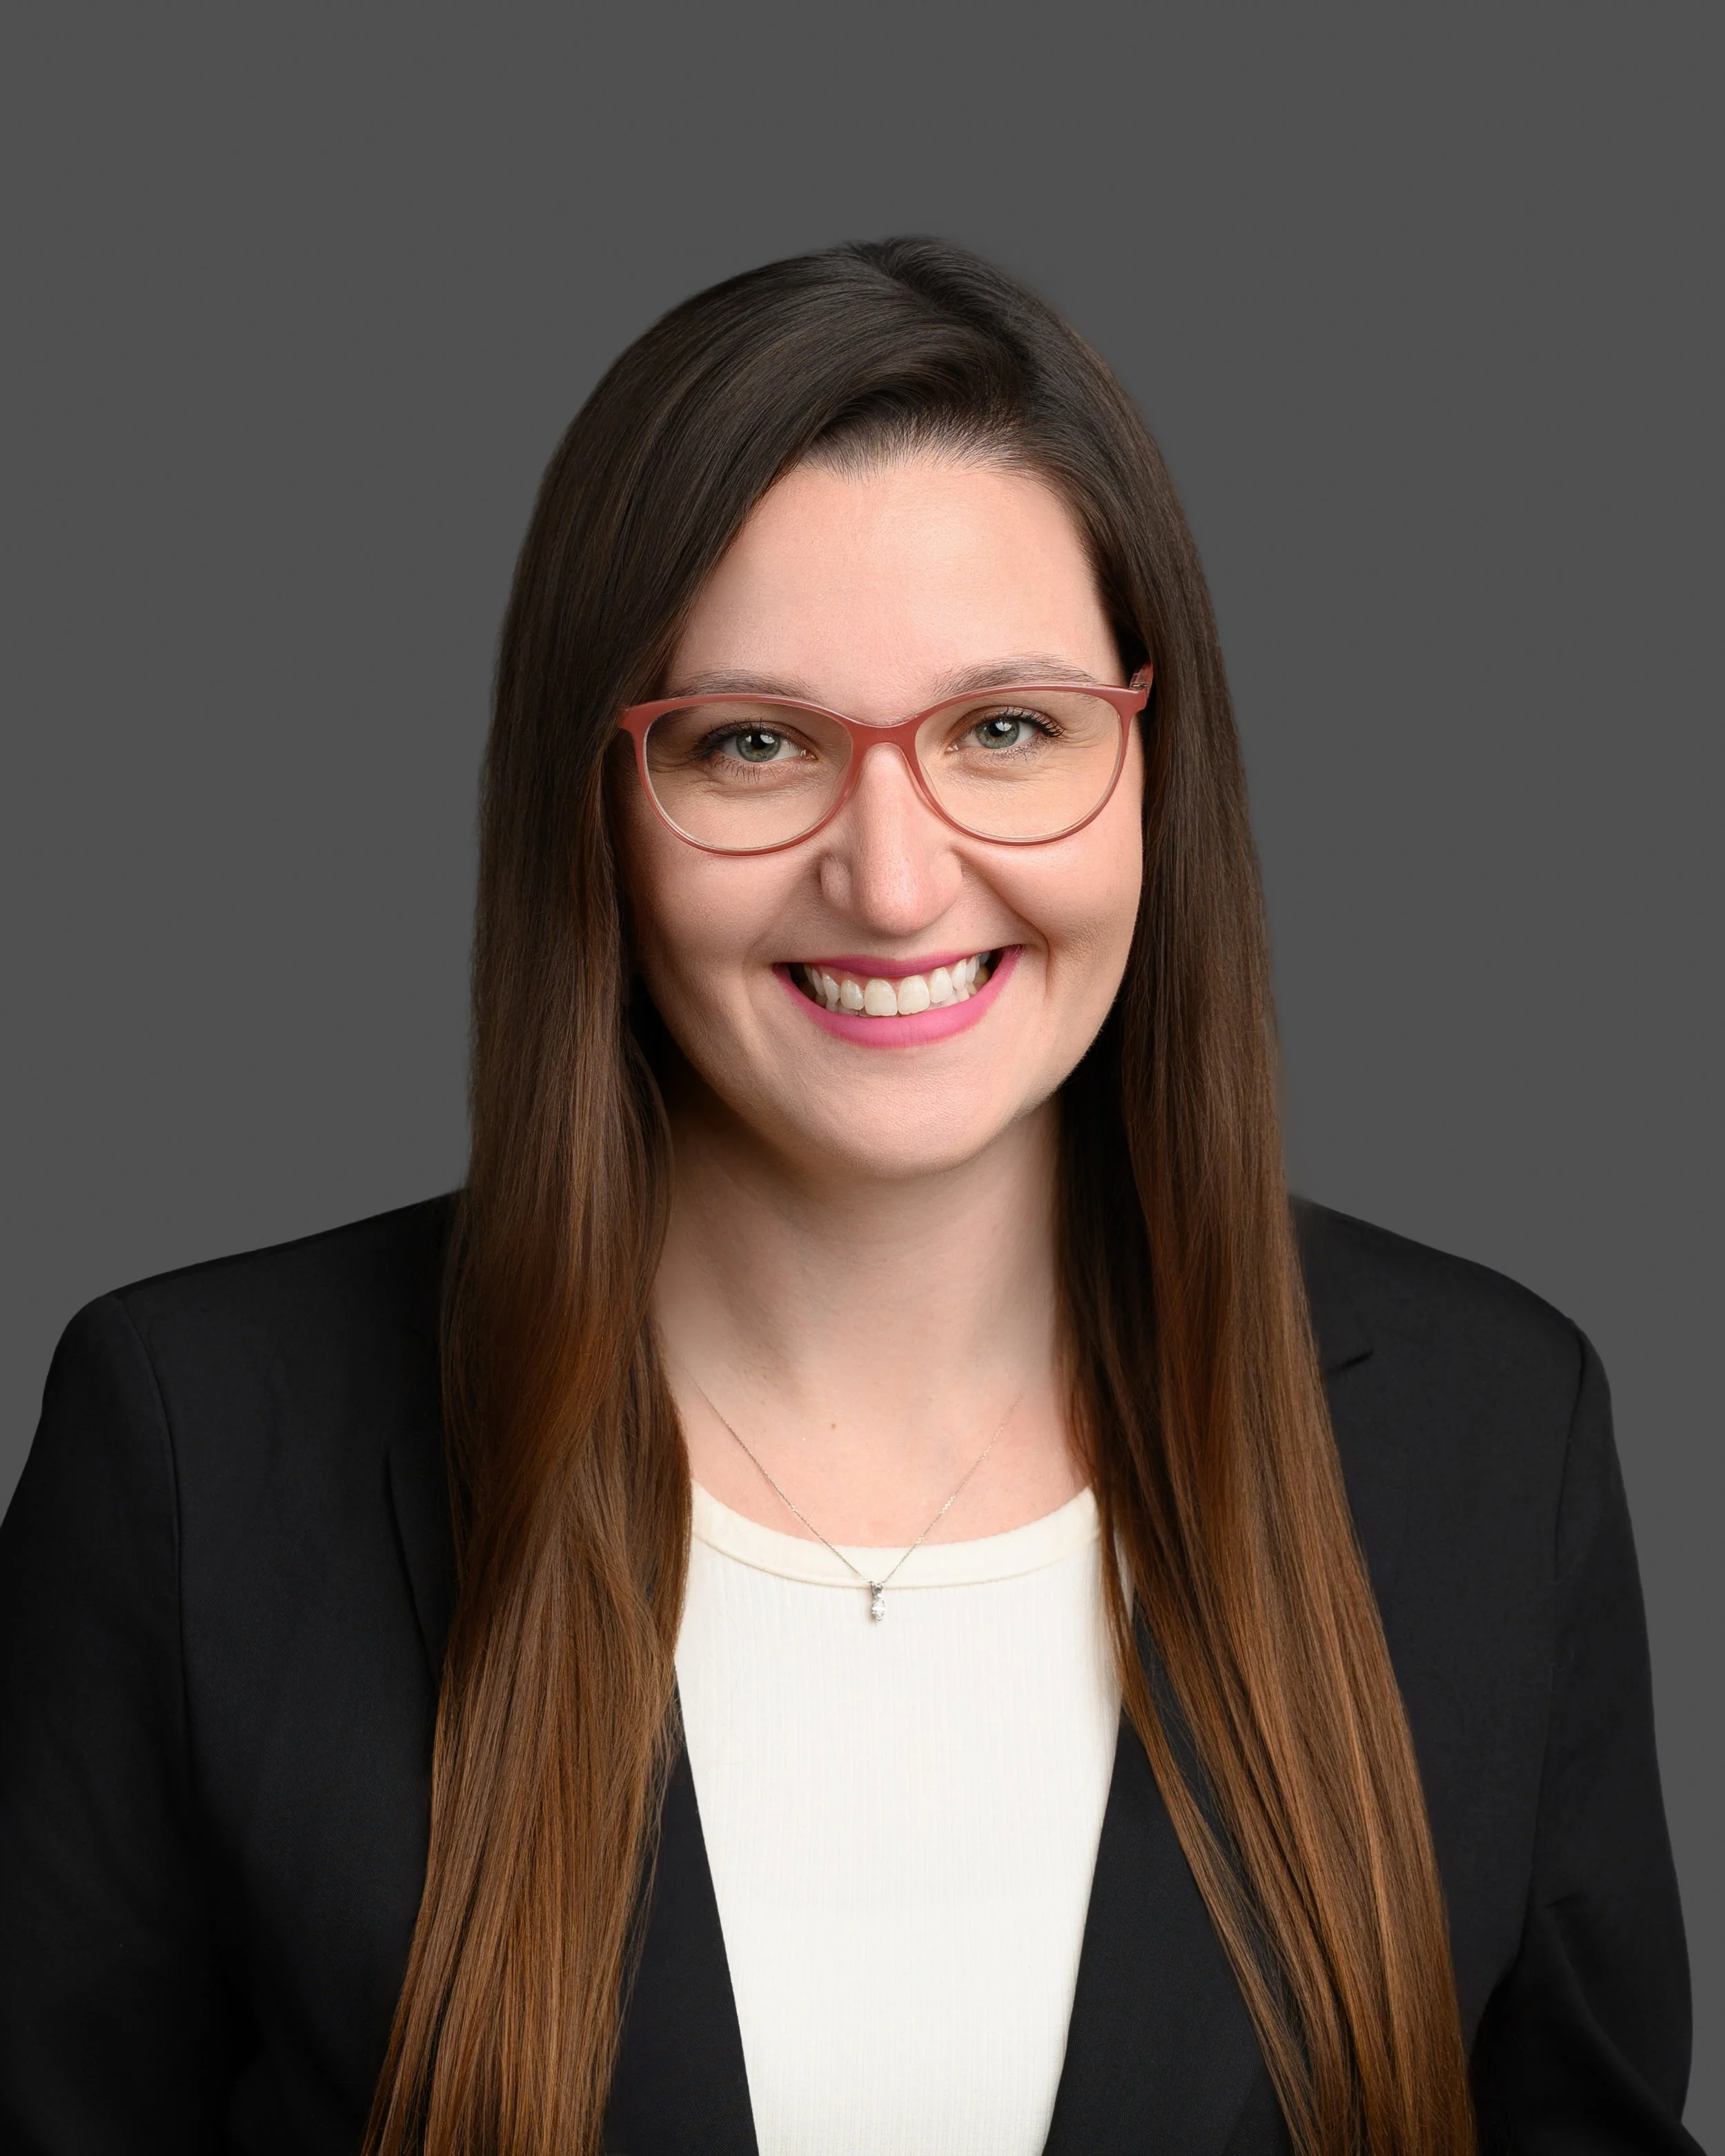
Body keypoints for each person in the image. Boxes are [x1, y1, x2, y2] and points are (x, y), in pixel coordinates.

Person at [0, 239, 1699, 2156]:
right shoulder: (195, 1445)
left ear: (1152, 758)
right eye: (754, 744)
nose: (893, 882)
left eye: (1004, 728)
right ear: (599, 807)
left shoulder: (1488, 1435)